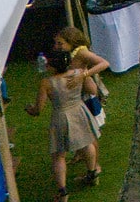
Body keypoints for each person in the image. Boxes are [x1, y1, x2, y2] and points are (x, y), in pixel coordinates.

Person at [24, 47, 102, 194]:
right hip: (80, 112)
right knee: (87, 143)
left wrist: (30, 109)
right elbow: (93, 90)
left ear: (51, 65)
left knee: (58, 155)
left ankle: (62, 191)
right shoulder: (78, 74)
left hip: (60, 116)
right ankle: (92, 173)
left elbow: (38, 109)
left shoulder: (47, 82)